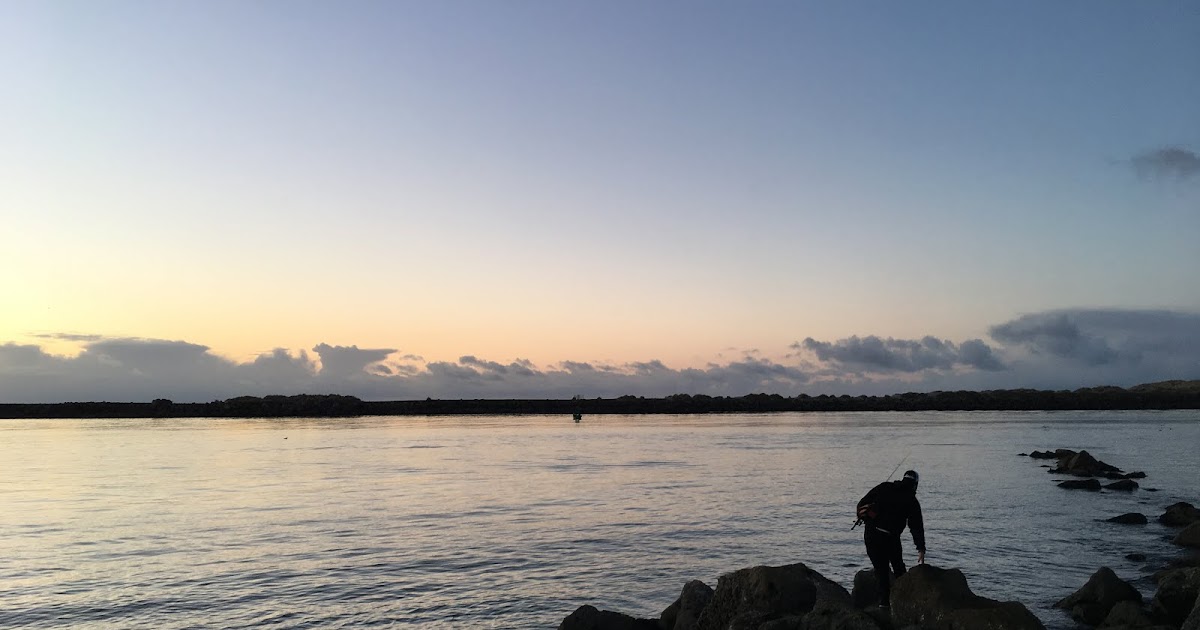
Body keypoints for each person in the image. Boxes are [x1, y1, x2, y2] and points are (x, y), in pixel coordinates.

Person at [856, 469, 925, 608]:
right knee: (899, 569)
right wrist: (920, 548)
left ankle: (884, 604)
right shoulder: (911, 499)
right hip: (891, 538)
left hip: (871, 535)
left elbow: (861, 504)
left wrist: (870, 517)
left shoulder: (884, 487)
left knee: (881, 571)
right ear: (915, 484)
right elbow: (916, 526)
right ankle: (905, 602)